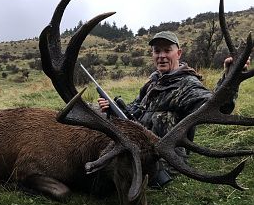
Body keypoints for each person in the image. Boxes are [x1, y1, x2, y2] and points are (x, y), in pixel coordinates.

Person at [98, 31, 250, 188]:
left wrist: (229, 77)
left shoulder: (187, 84)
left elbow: (218, 107)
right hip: (140, 150)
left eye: (167, 50)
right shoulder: (152, 82)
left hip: (166, 160)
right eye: (157, 51)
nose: (161, 56)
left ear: (178, 53)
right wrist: (111, 109)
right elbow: (135, 110)